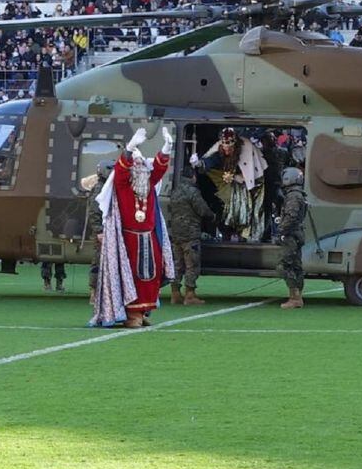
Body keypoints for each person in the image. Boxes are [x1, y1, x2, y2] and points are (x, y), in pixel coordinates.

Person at [90, 127, 174, 328]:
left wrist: (166, 148)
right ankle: (131, 313)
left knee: (151, 276)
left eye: (142, 165)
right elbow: (120, 170)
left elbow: (159, 169)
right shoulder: (123, 185)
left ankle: (144, 310)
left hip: (149, 237)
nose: (140, 169)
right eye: (135, 165)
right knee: (132, 277)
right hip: (128, 240)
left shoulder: (149, 184)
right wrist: (130, 148)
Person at [191, 127, 268, 242]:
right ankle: (232, 231)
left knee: (253, 209)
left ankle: (251, 235)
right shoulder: (219, 149)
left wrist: (244, 178)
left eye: (229, 147)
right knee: (233, 206)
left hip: (254, 180)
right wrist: (199, 163)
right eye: (224, 147)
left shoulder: (246, 147)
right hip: (234, 184)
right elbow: (212, 160)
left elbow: (251, 169)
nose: (227, 150)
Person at [167, 168, 215, 306]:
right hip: (190, 233)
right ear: (193, 177)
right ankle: (190, 294)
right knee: (191, 264)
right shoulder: (193, 192)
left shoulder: (175, 192)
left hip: (176, 233)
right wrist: (212, 215)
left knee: (178, 264)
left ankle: (175, 293)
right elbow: (202, 210)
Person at [276, 168, 308, 309]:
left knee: (285, 265)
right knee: (296, 266)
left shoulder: (293, 196)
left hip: (291, 235)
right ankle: (297, 297)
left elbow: (291, 216)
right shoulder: (299, 195)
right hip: (297, 234)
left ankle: (294, 297)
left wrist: (281, 231)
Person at [83, 159, 113, 294]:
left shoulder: (107, 187)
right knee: (99, 261)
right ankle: (94, 292)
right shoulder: (100, 188)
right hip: (102, 231)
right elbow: (94, 212)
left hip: (108, 229)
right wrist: (99, 231)